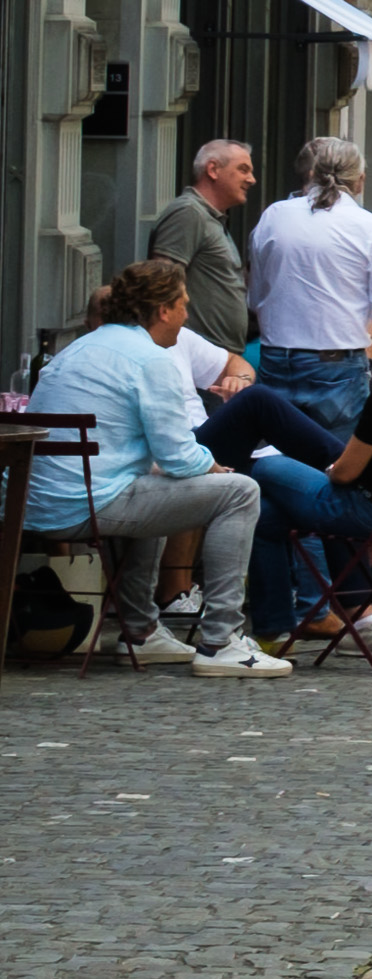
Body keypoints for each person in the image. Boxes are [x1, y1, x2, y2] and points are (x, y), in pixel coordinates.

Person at [21, 260, 284, 674]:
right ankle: (220, 641)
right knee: (240, 493)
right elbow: (179, 455)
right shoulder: (150, 359)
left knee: (151, 481)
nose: (186, 315)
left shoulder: (77, 349)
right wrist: (213, 467)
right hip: (85, 504)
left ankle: (140, 631)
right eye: (183, 305)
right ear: (163, 310)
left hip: (32, 502)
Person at [242, 295, 372, 652]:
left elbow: (344, 475)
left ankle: (275, 627)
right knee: (267, 514)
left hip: (358, 510)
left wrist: (329, 468)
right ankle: (342, 622)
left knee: (263, 465)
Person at [245, 137, 372, 448]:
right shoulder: (371, 227)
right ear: (359, 180)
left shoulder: (274, 215)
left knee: (271, 459)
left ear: (310, 174)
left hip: (276, 358)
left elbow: (255, 298)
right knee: (330, 467)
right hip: (337, 365)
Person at [149, 139, 257, 352]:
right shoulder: (188, 213)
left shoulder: (209, 217)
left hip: (213, 357)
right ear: (213, 169)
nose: (252, 180)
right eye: (243, 170)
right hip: (195, 358)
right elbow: (161, 284)